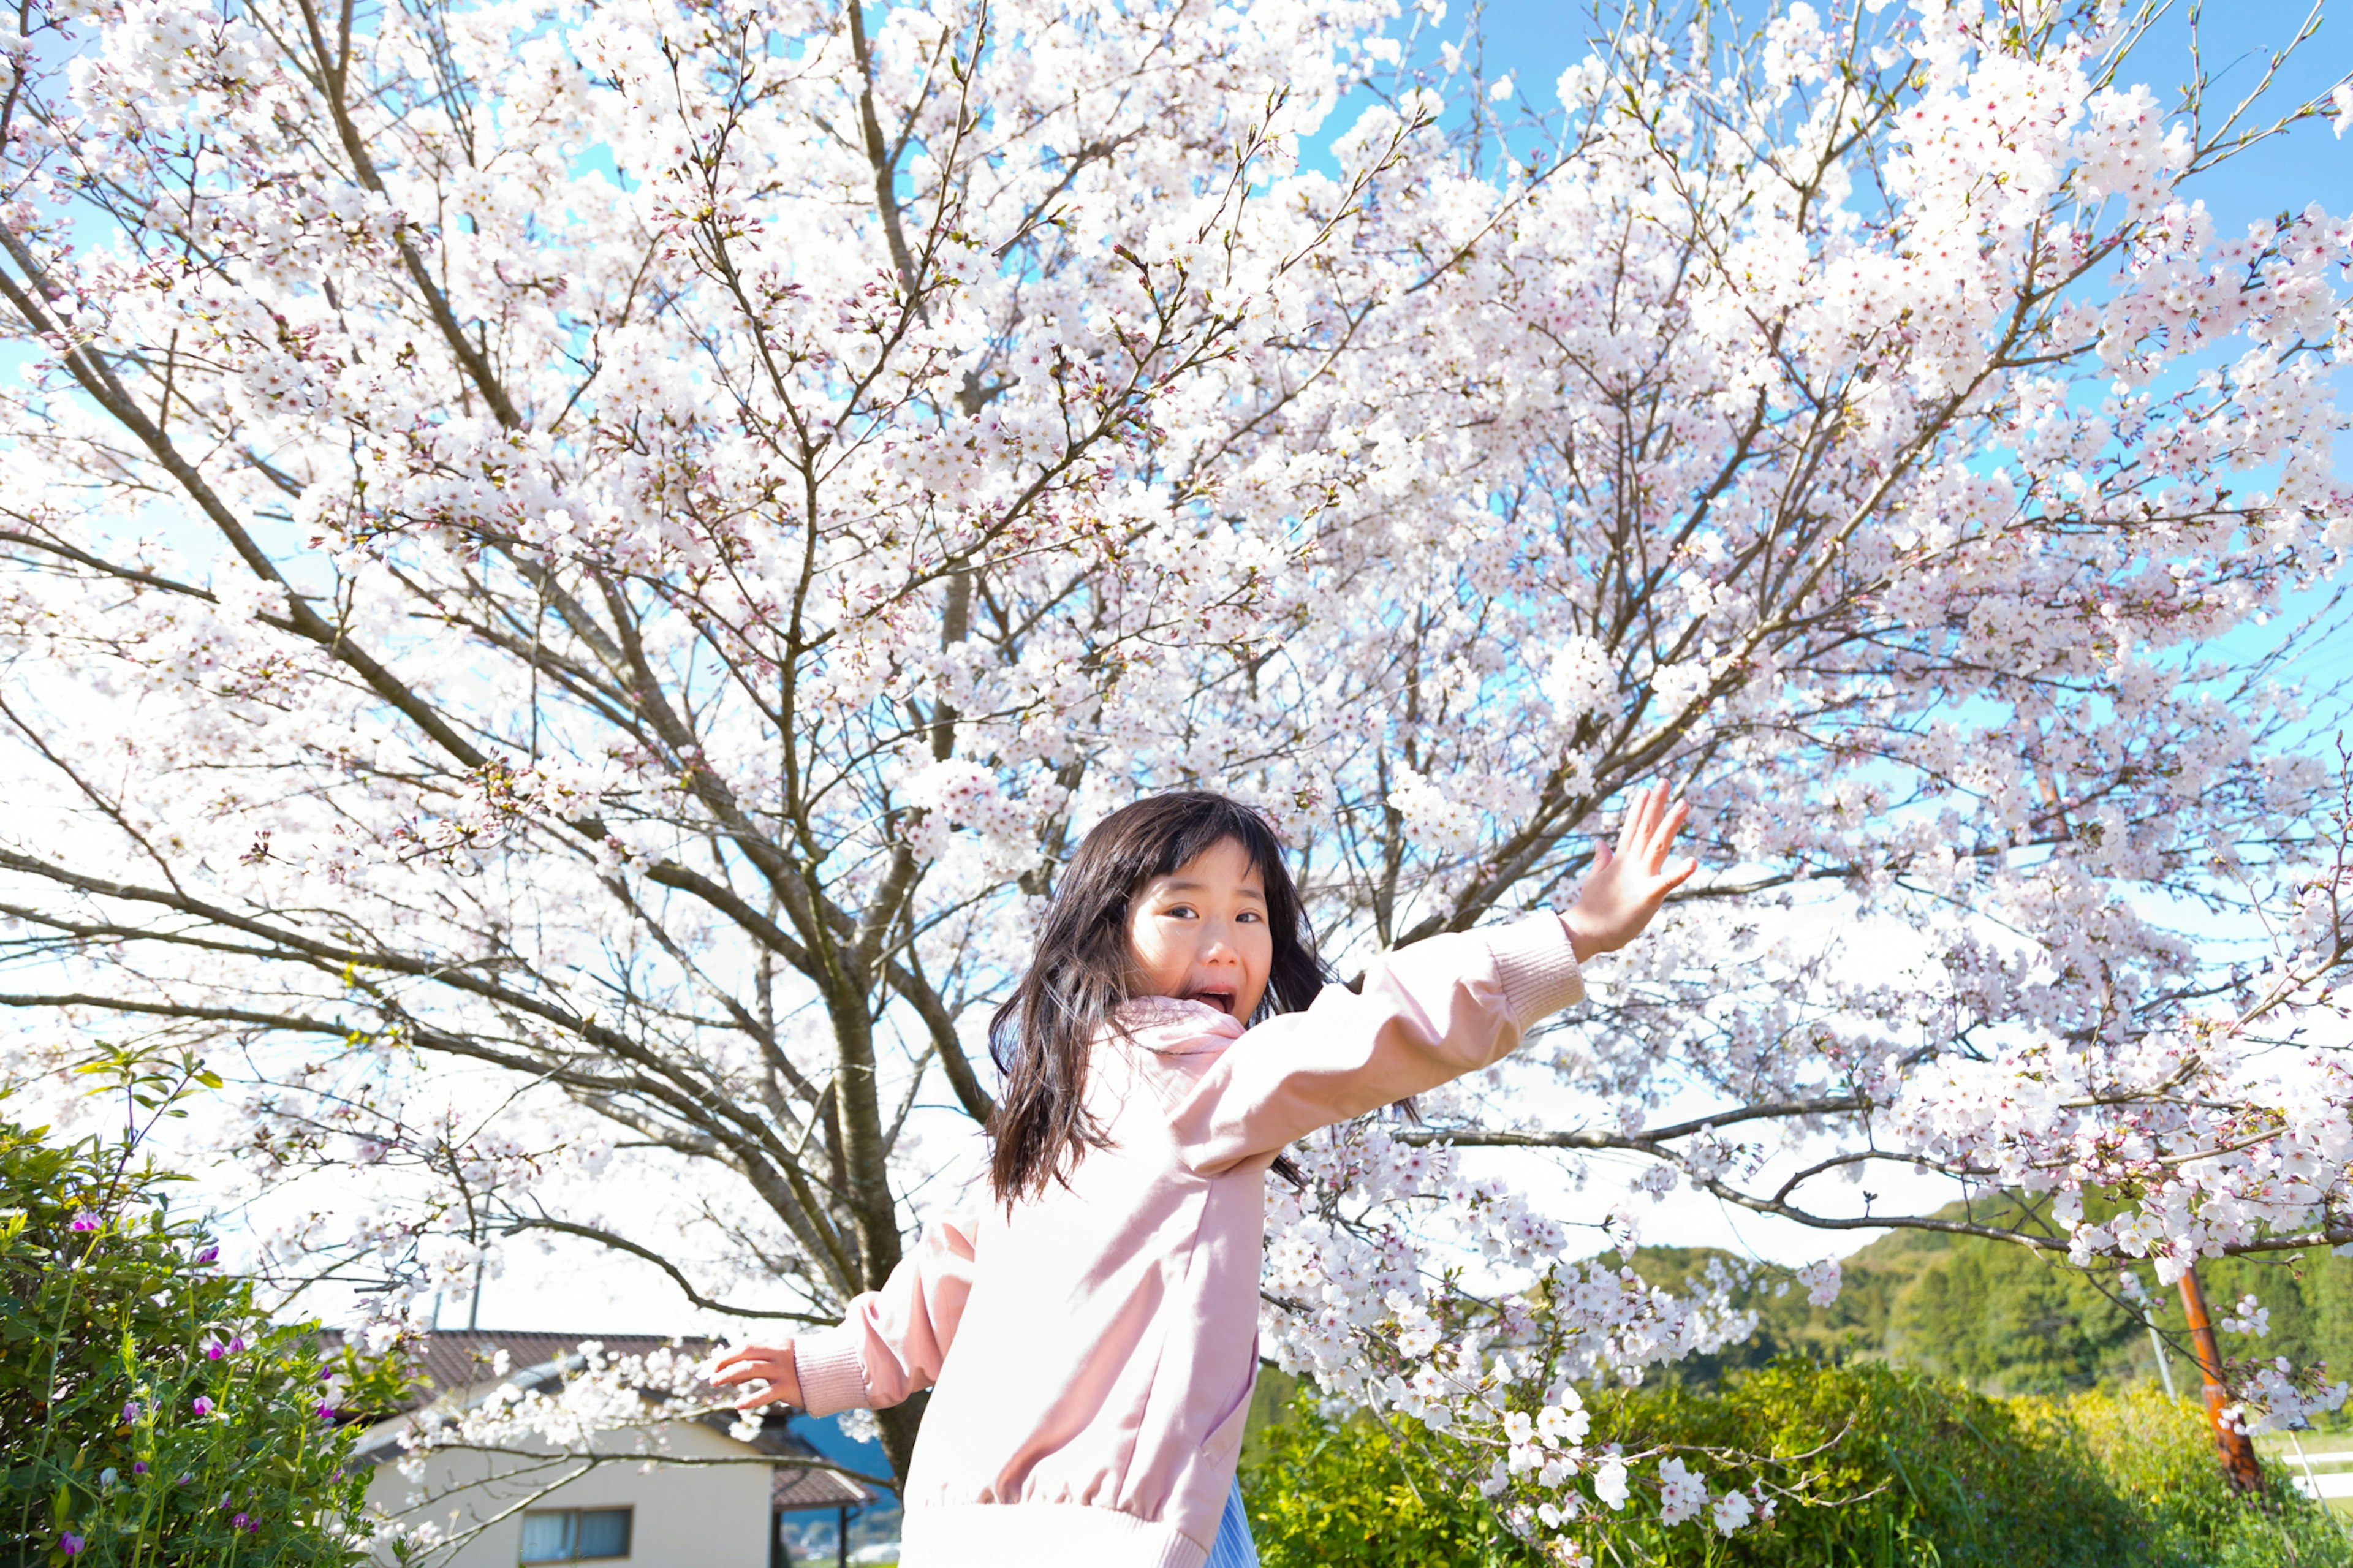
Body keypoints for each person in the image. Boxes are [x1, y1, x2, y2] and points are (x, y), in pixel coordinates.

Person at [713, 783, 1697, 1568]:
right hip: (1117, 1524)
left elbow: (941, 1285)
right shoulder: (1185, 1083)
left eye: (1249, 914)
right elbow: (1365, 1031)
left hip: (983, 1523)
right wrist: (1565, 939)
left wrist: (821, 1369)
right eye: (1182, 908)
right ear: (1104, 933)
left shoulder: (1047, 1115)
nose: (1225, 942)